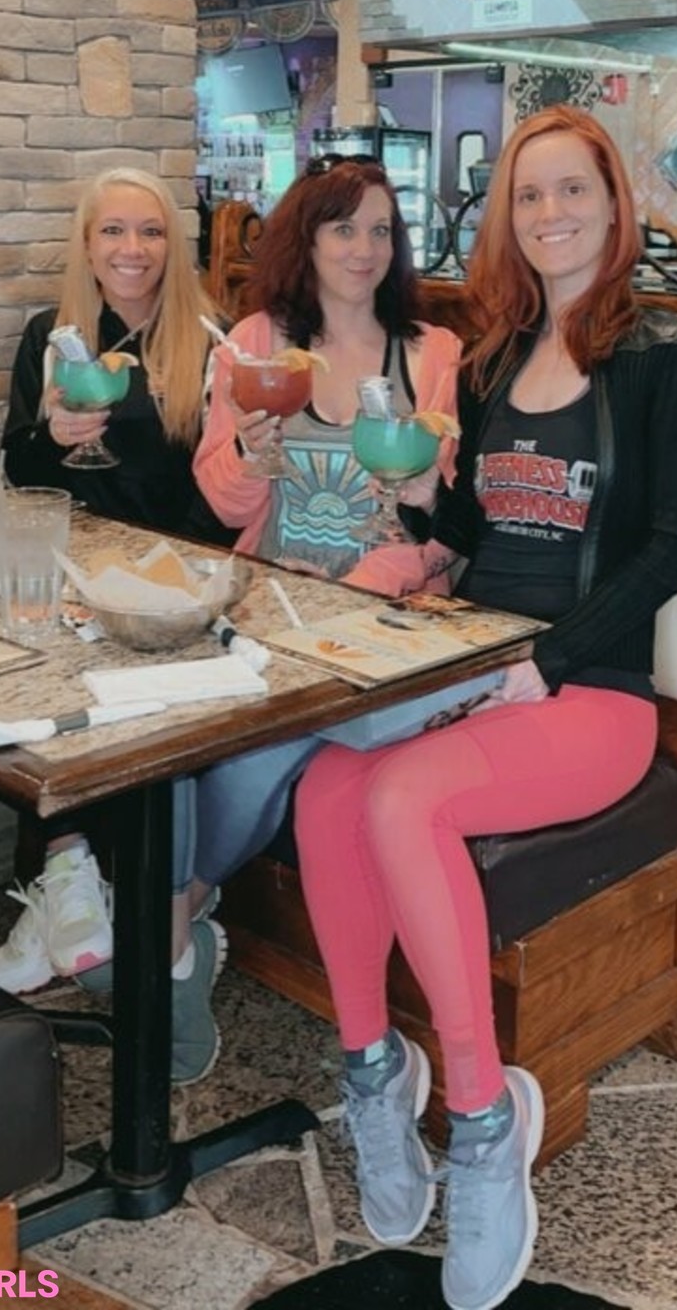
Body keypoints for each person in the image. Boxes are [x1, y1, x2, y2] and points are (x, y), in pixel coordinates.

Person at [291, 108, 677, 1310]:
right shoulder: (489, 359)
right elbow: (479, 531)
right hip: (479, 664)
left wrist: (555, 656)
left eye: (572, 190)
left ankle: (484, 1123)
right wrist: (418, 518)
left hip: (593, 689)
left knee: (403, 797)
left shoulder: (665, 353)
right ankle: (375, 1075)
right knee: (328, 783)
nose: (550, 214)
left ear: (614, 201)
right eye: (529, 195)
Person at [0, 166, 235, 1080]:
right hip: (73, 570)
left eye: (151, 231)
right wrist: (50, 437)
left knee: (107, 679)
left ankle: (73, 892)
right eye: (114, 231)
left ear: (174, 244)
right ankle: (68, 878)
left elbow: (217, 496)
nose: (133, 249)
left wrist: (161, 579)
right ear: (86, 246)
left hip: (172, 580)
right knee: (23, 662)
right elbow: (17, 470)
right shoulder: (50, 337)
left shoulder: (209, 343)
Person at [189, 155, 462, 901]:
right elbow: (225, 507)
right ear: (306, 239)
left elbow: (443, 526)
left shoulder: (432, 354)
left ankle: (173, 917)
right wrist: (252, 455)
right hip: (267, 603)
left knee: (257, 747)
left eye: (381, 230)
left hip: (383, 617)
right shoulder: (256, 343)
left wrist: (348, 592)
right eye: (343, 229)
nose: (364, 249)